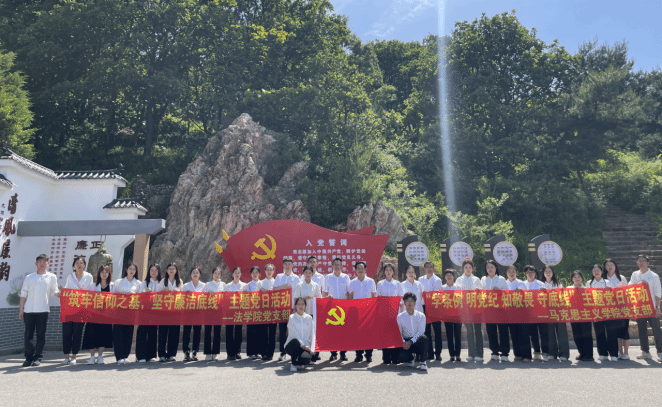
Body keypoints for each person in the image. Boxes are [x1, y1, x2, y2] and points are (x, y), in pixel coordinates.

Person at [19, 254, 60, 367]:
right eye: (40, 261)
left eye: (44, 261)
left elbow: (54, 292)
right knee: (28, 336)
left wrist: (63, 293)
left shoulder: (52, 277)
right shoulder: (29, 277)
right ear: (36, 263)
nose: (42, 263)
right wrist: (21, 309)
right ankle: (28, 358)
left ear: (48, 263)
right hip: (29, 311)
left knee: (41, 335)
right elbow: (23, 294)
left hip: (43, 310)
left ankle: (38, 357)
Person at [61, 255, 93, 365]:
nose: (79, 265)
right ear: (74, 265)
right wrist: (62, 291)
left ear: (84, 265)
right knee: (67, 333)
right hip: (69, 308)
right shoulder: (70, 277)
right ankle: (66, 356)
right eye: (77, 263)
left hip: (81, 309)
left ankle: (74, 356)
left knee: (77, 332)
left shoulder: (89, 276)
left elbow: (91, 291)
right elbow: (66, 291)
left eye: (81, 263)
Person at [629, 254, 662, 360]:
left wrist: (658, 307)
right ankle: (645, 352)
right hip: (640, 308)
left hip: (652, 307)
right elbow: (630, 287)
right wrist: (639, 284)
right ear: (637, 263)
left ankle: (660, 352)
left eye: (643, 261)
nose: (641, 263)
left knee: (656, 330)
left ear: (647, 263)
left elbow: (658, 293)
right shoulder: (635, 274)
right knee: (642, 330)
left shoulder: (654, 276)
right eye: (639, 261)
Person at [83, 265, 114, 364]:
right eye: (102, 272)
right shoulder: (93, 286)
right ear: (99, 274)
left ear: (109, 274)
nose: (104, 274)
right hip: (94, 315)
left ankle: (100, 356)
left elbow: (117, 299)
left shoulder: (113, 286)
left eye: (106, 272)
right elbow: (88, 298)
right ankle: (92, 357)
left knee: (103, 336)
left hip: (106, 315)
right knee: (92, 335)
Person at [587, 264, 618, 361]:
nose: (596, 272)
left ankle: (614, 354)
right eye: (594, 270)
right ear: (592, 273)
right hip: (596, 311)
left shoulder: (607, 282)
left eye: (598, 270)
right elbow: (586, 296)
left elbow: (614, 294)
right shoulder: (589, 283)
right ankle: (603, 353)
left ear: (602, 272)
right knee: (599, 332)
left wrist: (610, 290)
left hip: (608, 310)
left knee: (611, 332)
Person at [455, 257, 483, 362]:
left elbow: (483, 294)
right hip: (465, 309)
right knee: (469, 331)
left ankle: (479, 354)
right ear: (463, 268)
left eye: (470, 267)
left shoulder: (476, 279)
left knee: (478, 330)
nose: (468, 269)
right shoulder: (459, 280)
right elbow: (456, 294)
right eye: (466, 267)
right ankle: (471, 354)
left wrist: (479, 291)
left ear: (472, 268)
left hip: (476, 309)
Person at [322, 257, 351, 361]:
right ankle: (333, 353)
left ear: (342, 266)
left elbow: (349, 293)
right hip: (332, 308)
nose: (337, 266)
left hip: (343, 307)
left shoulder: (346, 277)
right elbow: (324, 293)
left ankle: (343, 353)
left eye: (339, 264)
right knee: (332, 332)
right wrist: (327, 297)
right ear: (332, 266)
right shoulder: (328, 277)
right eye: (335, 264)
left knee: (344, 332)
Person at [113, 263, 141, 364]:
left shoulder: (138, 283)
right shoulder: (118, 282)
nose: (132, 271)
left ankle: (125, 355)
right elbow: (112, 295)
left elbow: (141, 297)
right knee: (118, 333)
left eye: (134, 269)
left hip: (131, 311)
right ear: (126, 269)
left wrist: (134, 294)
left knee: (129, 333)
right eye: (130, 269)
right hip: (119, 310)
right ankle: (119, 356)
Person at [348, 261, 377, 363]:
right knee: (357, 334)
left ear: (365, 269)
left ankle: (368, 355)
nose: (360, 270)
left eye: (362, 268)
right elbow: (350, 297)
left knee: (369, 334)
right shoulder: (352, 282)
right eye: (358, 268)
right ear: (355, 270)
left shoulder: (371, 281)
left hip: (368, 311)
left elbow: (374, 296)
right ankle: (358, 354)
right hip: (357, 312)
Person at [482, 259, 509, 362]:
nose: (489, 269)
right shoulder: (483, 279)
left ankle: (505, 353)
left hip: (500, 308)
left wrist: (500, 291)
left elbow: (508, 293)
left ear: (496, 268)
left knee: (503, 330)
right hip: (488, 308)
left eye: (491, 267)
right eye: (487, 267)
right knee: (491, 330)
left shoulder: (501, 279)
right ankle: (494, 351)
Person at [273, 258, 300, 361]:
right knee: (282, 331)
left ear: (292, 265)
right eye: (286, 264)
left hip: (293, 308)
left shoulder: (296, 277)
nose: (288, 266)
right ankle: (283, 352)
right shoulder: (279, 276)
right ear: (283, 265)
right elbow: (274, 289)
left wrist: (296, 307)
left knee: (294, 331)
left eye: (289, 264)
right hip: (282, 308)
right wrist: (283, 286)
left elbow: (298, 293)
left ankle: (294, 352)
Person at [541, 265, 570, 362]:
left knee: (562, 332)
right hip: (546, 311)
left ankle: (564, 353)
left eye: (550, 271)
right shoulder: (541, 284)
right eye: (546, 271)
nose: (548, 273)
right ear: (543, 273)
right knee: (550, 332)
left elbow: (563, 297)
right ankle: (552, 353)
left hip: (559, 311)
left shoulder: (558, 284)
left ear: (553, 273)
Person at [377, 263, 403, 364]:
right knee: (385, 334)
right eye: (386, 270)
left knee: (395, 334)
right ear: (384, 272)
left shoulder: (397, 283)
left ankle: (395, 357)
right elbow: (378, 297)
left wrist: (399, 305)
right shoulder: (380, 284)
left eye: (390, 270)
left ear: (393, 272)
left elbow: (401, 297)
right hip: (384, 313)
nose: (388, 272)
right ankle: (386, 357)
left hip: (395, 312)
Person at [294, 265, 322, 361]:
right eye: (306, 272)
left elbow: (319, 299)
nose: (308, 274)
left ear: (312, 274)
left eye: (310, 272)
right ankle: (304, 353)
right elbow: (296, 299)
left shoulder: (315, 285)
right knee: (304, 333)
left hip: (313, 313)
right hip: (303, 314)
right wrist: (306, 298)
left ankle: (315, 353)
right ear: (303, 273)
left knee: (314, 334)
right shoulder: (299, 285)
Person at [603, 258, 630, 359]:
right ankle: (620, 352)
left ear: (615, 266)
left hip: (622, 307)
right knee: (616, 331)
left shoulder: (621, 278)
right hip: (609, 309)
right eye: (607, 265)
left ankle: (626, 353)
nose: (610, 267)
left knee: (624, 330)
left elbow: (627, 291)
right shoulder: (603, 279)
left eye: (612, 265)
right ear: (605, 268)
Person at [136, 263, 162, 363]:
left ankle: (152, 355)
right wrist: (145, 291)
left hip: (156, 310)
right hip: (144, 310)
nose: (154, 272)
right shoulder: (144, 282)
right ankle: (141, 356)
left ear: (159, 272)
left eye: (156, 270)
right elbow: (139, 294)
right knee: (142, 331)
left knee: (153, 332)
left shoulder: (161, 283)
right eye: (152, 270)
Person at [396, 292, 429, 370]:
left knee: (424, 338)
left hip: (417, 341)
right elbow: (399, 333)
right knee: (399, 355)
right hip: (406, 341)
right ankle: (410, 359)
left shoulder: (421, 316)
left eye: (411, 301)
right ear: (404, 303)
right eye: (407, 301)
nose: (409, 303)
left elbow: (421, 332)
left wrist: (411, 341)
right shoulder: (400, 317)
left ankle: (423, 361)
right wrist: (404, 342)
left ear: (415, 303)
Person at [505, 265, 531, 362]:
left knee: (523, 333)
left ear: (516, 273)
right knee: (514, 332)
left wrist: (522, 291)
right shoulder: (505, 283)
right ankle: (518, 354)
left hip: (521, 311)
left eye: (513, 271)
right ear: (506, 273)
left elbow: (528, 296)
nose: (511, 273)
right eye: (509, 271)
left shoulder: (521, 283)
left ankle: (527, 356)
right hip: (510, 311)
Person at [522, 265, 548, 362]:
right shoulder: (523, 284)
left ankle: (545, 353)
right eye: (528, 272)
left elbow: (547, 297)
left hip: (541, 312)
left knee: (543, 333)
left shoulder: (541, 284)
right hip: (529, 313)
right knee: (533, 334)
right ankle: (537, 352)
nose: (530, 274)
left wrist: (544, 291)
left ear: (535, 273)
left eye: (532, 272)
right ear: (525, 273)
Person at [418, 261, 443, 361]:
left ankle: (438, 353)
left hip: (435, 307)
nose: (429, 269)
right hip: (424, 307)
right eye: (427, 267)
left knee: (437, 331)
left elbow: (437, 294)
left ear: (433, 269)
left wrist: (427, 295)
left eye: (431, 267)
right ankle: (430, 353)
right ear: (424, 269)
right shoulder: (420, 280)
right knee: (427, 331)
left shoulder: (438, 280)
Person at [158, 263, 183, 362]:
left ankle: (172, 354)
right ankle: (162, 355)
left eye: (173, 269)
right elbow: (156, 294)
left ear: (176, 271)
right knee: (163, 333)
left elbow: (183, 295)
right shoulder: (163, 281)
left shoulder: (179, 281)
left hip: (176, 310)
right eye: (169, 269)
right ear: (167, 271)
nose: (171, 270)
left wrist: (178, 292)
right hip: (164, 311)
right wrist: (163, 290)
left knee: (174, 333)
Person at [568, 271, 594, 361]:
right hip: (574, 315)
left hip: (585, 315)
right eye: (575, 277)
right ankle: (582, 353)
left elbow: (591, 302)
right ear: (572, 279)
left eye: (579, 277)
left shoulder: (587, 289)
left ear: (582, 279)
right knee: (577, 336)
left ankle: (589, 355)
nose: (577, 279)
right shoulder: (568, 289)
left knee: (586, 335)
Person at [182, 266, 206, 361]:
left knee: (197, 332)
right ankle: (186, 352)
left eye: (197, 272)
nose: (195, 274)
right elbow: (180, 298)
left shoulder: (204, 286)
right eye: (193, 272)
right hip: (188, 311)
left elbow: (206, 298)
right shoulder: (186, 286)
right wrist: (185, 294)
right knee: (186, 332)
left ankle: (195, 352)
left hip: (198, 312)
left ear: (200, 275)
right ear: (190, 275)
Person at [285, 297, 314, 372]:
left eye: (303, 304)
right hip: (292, 345)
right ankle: (293, 363)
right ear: (295, 306)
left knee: (306, 359)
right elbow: (294, 334)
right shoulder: (292, 317)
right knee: (296, 342)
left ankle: (299, 363)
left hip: (305, 346)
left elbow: (312, 333)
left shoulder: (309, 318)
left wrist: (312, 347)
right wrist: (303, 345)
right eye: (299, 304)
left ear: (305, 306)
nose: (301, 306)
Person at [203, 267, 225, 361]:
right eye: (215, 273)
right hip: (209, 310)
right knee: (207, 331)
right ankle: (208, 353)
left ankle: (215, 353)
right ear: (212, 274)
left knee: (217, 331)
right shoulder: (207, 284)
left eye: (218, 273)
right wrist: (208, 292)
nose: (217, 275)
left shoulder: (223, 284)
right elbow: (201, 295)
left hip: (219, 311)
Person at [226, 267, 247, 360]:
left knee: (238, 331)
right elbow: (224, 298)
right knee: (229, 331)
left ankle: (237, 351)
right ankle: (230, 353)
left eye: (239, 273)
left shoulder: (244, 286)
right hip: (229, 311)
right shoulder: (227, 286)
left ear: (241, 274)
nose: (237, 274)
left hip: (240, 311)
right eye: (235, 272)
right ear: (232, 274)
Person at [442, 269, 462, 362]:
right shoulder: (442, 288)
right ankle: (451, 355)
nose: (449, 277)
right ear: (445, 277)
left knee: (458, 335)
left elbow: (462, 299)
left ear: (453, 277)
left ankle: (458, 354)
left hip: (458, 314)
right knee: (449, 335)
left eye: (451, 275)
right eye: (447, 275)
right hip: (447, 314)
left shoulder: (458, 287)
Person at [245, 265, 263, 360]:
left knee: (259, 332)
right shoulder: (247, 285)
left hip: (260, 311)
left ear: (259, 274)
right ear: (251, 274)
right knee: (251, 332)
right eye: (253, 272)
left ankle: (259, 352)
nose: (255, 274)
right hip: (251, 312)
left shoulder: (262, 284)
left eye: (256, 272)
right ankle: (251, 352)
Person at [259, 263, 277, 360]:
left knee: (272, 333)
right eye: (267, 270)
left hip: (273, 310)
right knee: (263, 332)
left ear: (273, 271)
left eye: (271, 270)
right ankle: (263, 352)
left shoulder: (276, 283)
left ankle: (270, 353)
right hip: (263, 310)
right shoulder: (260, 283)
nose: (269, 272)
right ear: (265, 271)